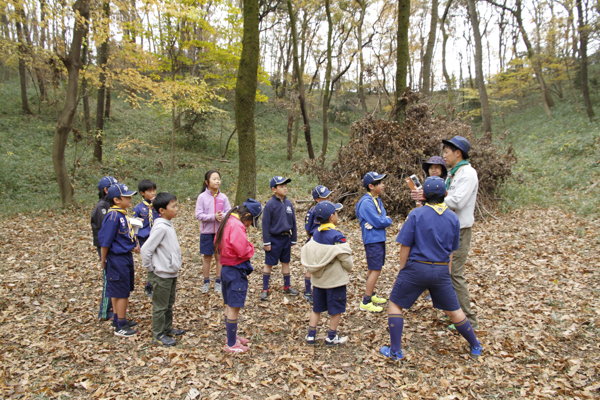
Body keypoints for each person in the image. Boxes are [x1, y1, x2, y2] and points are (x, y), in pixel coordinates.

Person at [380, 177, 483, 361]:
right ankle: (475, 345)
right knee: (454, 310)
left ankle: (395, 351)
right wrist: (448, 273)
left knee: (395, 303)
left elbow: (405, 245)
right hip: (441, 270)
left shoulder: (416, 215)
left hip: (416, 268)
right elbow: (451, 251)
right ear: (445, 194)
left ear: (424, 196)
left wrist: (402, 271)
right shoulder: (453, 217)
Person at [412, 136, 479, 329]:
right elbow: (447, 195)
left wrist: (429, 197)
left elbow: (457, 201)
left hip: (460, 230)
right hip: (447, 228)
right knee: (444, 272)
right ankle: (453, 314)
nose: (444, 155)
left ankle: (468, 320)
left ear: (458, 153)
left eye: (446, 152)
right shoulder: (453, 173)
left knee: (454, 274)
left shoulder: (467, 173)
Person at [214, 199, 263, 353]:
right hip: (235, 269)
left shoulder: (228, 220)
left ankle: (231, 337)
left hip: (226, 269)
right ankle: (231, 343)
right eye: (250, 222)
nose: (249, 226)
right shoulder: (236, 225)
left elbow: (216, 241)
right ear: (247, 215)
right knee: (234, 306)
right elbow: (242, 249)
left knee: (230, 304)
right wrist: (251, 248)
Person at [301, 201, 353, 346]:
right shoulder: (337, 236)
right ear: (331, 217)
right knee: (336, 309)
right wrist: (349, 268)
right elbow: (346, 259)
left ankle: (311, 335)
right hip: (335, 281)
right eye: (336, 213)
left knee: (316, 308)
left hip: (318, 281)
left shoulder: (315, 234)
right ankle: (331, 336)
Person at [141, 192, 185, 347]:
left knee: (168, 302)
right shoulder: (160, 228)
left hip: (170, 273)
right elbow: (146, 249)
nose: (176, 209)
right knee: (160, 305)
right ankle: (158, 334)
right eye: (173, 206)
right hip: (161, 274)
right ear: (162, 210)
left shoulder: (168, 225)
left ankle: (167, 328)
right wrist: (151, 268)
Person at [98, 183, 140, 337]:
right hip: (117, 259)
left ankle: (118, 319)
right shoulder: (113, 216)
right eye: (126, 196)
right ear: (116, 200)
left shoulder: (121, 214)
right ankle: (120, 326)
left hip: (125, 256)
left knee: (121, 290)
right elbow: (105, 240)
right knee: (121, 292)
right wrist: (103, 260)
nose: (130, 199)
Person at [355, 172, 392, 313]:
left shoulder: (376, 199)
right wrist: (383, 220)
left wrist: (382, 220)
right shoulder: (366, 202)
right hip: (372, 240)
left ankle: (372, 293)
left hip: (379, 237)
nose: (383, 185)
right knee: (376, 269)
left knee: (374, 267)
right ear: (371, 186)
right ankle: (366, 300)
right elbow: (380, 220)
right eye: (380, 183)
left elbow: (382, 217)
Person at [260, 176, 300, 300]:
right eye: (281, 186)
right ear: (274, 189)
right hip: (273, 239)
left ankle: (287, 286)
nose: (285, 188)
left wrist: (293, 238)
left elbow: (293, 222)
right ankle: (265, 288)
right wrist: (267, 242)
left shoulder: (288, 204)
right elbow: (265, 225)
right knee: (269, 263)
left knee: (286, 262)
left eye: (285, 186)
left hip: (286, 239)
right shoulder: (270, 205)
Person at [195, 170, 232, 295]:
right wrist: (213, 217)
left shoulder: (223, 197)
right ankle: (206, 282)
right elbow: (198, 214)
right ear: (207, 182)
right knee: (207, 257)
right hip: (206, 232)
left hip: (220, 232)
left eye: (219, 179)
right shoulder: (202, 197)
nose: (217, 181)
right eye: (214, 179)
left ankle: (218, 281)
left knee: (219, 257)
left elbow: (229, 211)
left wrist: (223, 216)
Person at [91, 175, 118, 321]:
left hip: (112, 247)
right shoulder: (101, 207)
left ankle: (113, 307)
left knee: (113, 277)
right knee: (108, 277)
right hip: (105, 247)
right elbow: (106, 231)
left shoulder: (109, 206)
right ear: (106, 190)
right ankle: (104, 311)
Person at [302, 185, 334, 303]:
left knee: (325, 266)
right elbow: (307, 228)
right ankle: (307, 292)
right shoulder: (312, 211)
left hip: (327, 242)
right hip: (315, 241)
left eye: (329, 196)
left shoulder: (331, 210)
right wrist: (312, 237)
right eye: (325, 197)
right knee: (312, 267)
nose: (329, 199)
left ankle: (322, 290)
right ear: (317, 200)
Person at [133, 179, 159, 298]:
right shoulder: (138, 208)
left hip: (157, 237)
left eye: (154, 190)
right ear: (142, 193)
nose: (153, 193)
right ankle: (149, 285)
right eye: (149, 191)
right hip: (144, 239)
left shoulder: (158, 205)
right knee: (150, 262)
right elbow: (134, 225)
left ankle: (156, 283)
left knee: (157, 261)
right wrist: (135, 242)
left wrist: (158, 204)